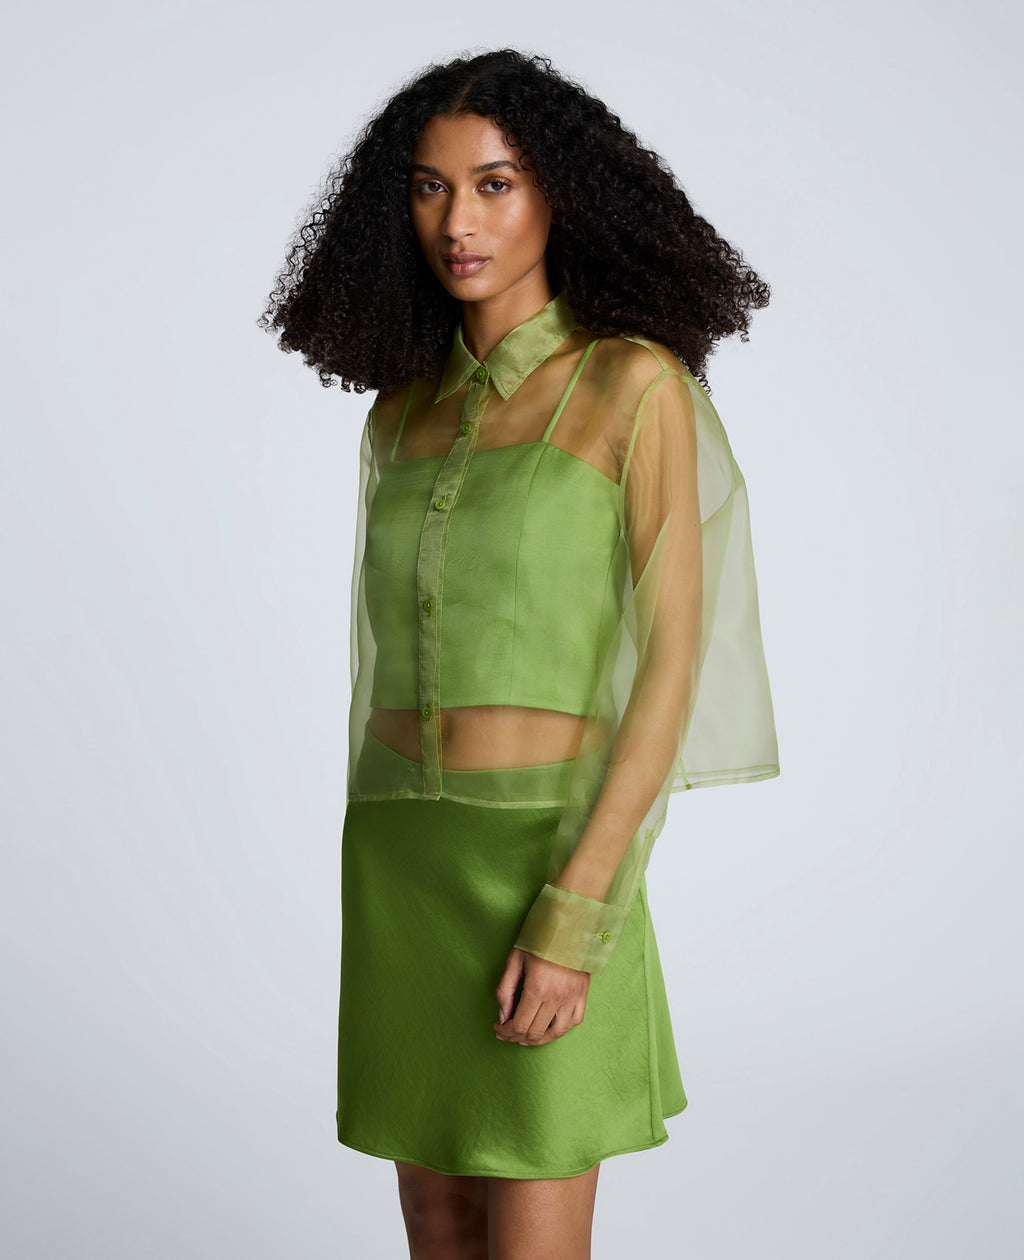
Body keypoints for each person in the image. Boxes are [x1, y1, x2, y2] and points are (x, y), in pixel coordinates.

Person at [260, 47, 780, 1260]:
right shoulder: (399, 415)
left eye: (494, 184)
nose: (459, 221)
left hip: (548, 856)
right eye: (430, 187)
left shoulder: (631, 386)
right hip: (401, 864)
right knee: (436, 1231)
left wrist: (575, 914)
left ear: (561, 195)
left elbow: (670, 668)